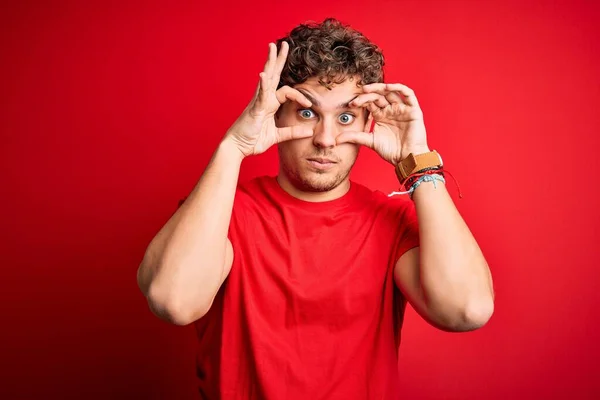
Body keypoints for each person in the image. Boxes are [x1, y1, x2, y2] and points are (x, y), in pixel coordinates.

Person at [137, 18, 495, 400]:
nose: (326, 140)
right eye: (308, 113)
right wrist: (234, 147)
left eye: (344, 118)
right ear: (277, 112)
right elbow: (172, 301)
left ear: (367, 122)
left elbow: (467, 310)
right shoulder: (222, 212)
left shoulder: (390, 221)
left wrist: (418, 163)